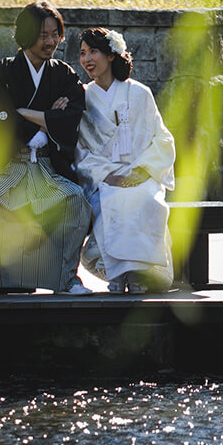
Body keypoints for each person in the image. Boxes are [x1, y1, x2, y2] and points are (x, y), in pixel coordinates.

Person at [0, 1, 92, 297]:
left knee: (75, 199)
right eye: (43, 34)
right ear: (26, 34)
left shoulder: (63, 74)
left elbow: (72, 115)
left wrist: (24, 113)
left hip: (46, 168)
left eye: (55, 34)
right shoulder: (3, 72)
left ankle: (66, 280)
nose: (51, 42)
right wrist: (47, 119)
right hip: (8, 166)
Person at [75, 27, 176, 294]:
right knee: (111, 201)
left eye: (93, 51)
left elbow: (163, 139)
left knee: (144, 199)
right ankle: (119, 272)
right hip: (104, 178)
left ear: (111, 55)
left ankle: (140, 273)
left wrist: (143, 171)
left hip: (141, 174)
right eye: (82, 53)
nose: (87, 59)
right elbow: (81, 151)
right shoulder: (83, 98)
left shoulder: (140, 93)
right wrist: (107, 174)